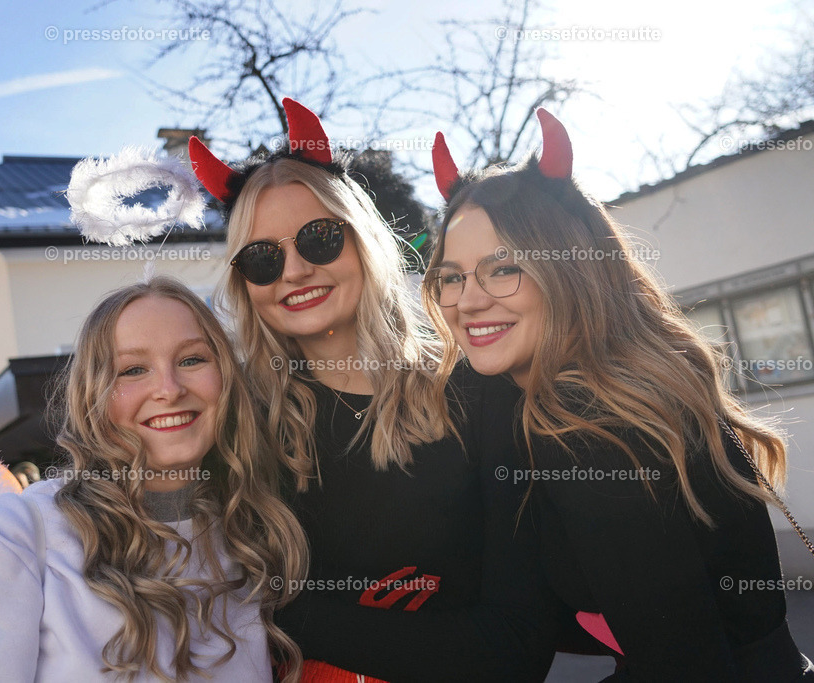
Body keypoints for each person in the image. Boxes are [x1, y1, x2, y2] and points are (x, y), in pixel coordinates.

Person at [423, 108, 814, 680]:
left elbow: (683, 664)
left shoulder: (592, 425)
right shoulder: (583, 392)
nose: (468, 301)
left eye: (502, 268)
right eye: (451, 276)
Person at [189, 99, 557, 682]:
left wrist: (293, 615)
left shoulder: (475, 392)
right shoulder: (237, 426)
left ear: (363, 239)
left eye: (318, 239)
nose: (293, 272)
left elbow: (517, 642)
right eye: (262, 258)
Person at [0, 277, 308, 682]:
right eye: (132, 370)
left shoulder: (252, 533)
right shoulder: (4, 540)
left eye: (191, 360)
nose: (168, 389)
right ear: (92, 394)